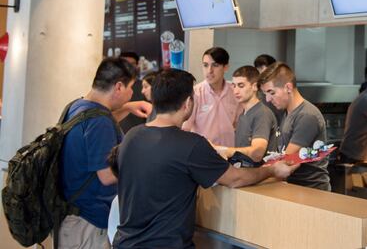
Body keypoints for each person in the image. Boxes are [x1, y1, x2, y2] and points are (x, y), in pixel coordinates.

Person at [112, 69, 292, 249]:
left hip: (124, 243)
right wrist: (272, 170)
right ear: (188, 103)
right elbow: (235, 178)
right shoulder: (191, 144)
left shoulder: (131, 136)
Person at [58, 57, 151, 249]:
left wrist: (128, 107)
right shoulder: (100, 122)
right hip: (87, 225)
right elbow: (107, 175)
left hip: (72, 219)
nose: (132, 93)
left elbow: (100, 120)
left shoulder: (77, 106)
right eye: (130, 87)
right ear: (118, 87)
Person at [259, 62, 330, 191]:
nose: (268, 99)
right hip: (296, 188)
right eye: (265, 94)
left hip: (312, 191)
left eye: (271, 92)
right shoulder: (287, 112)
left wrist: (254, 175)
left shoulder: (307, 116)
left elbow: (286, 161)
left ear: (288, 87)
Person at [214, 66, 277, 162]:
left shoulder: (262, 114)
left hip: (259, 171)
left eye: (241, 86)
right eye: (234, 86)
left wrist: (224, 150)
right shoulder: (242, 114)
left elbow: (257, 153)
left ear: (254, 86)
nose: (236, 91)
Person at [182, 47, 240, 146]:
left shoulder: (235, 91)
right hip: (202, 152)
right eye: (205, 65)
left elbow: (239, 125)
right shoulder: (195, 93)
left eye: (215, 65)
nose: (209, 70)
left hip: (229, 151)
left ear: (225, 67)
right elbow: (185, 129)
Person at [118, 51, 146, 133]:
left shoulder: (145, 86)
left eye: (132, 64)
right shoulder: (110, 86)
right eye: (125, 64)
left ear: (137, 66)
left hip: (139, 134)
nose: (128, 67)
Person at [254, 53, 284, 122]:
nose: (260, 72)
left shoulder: (280, 87)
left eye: (262, 68)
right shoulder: (256, 88)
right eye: (258, 68)